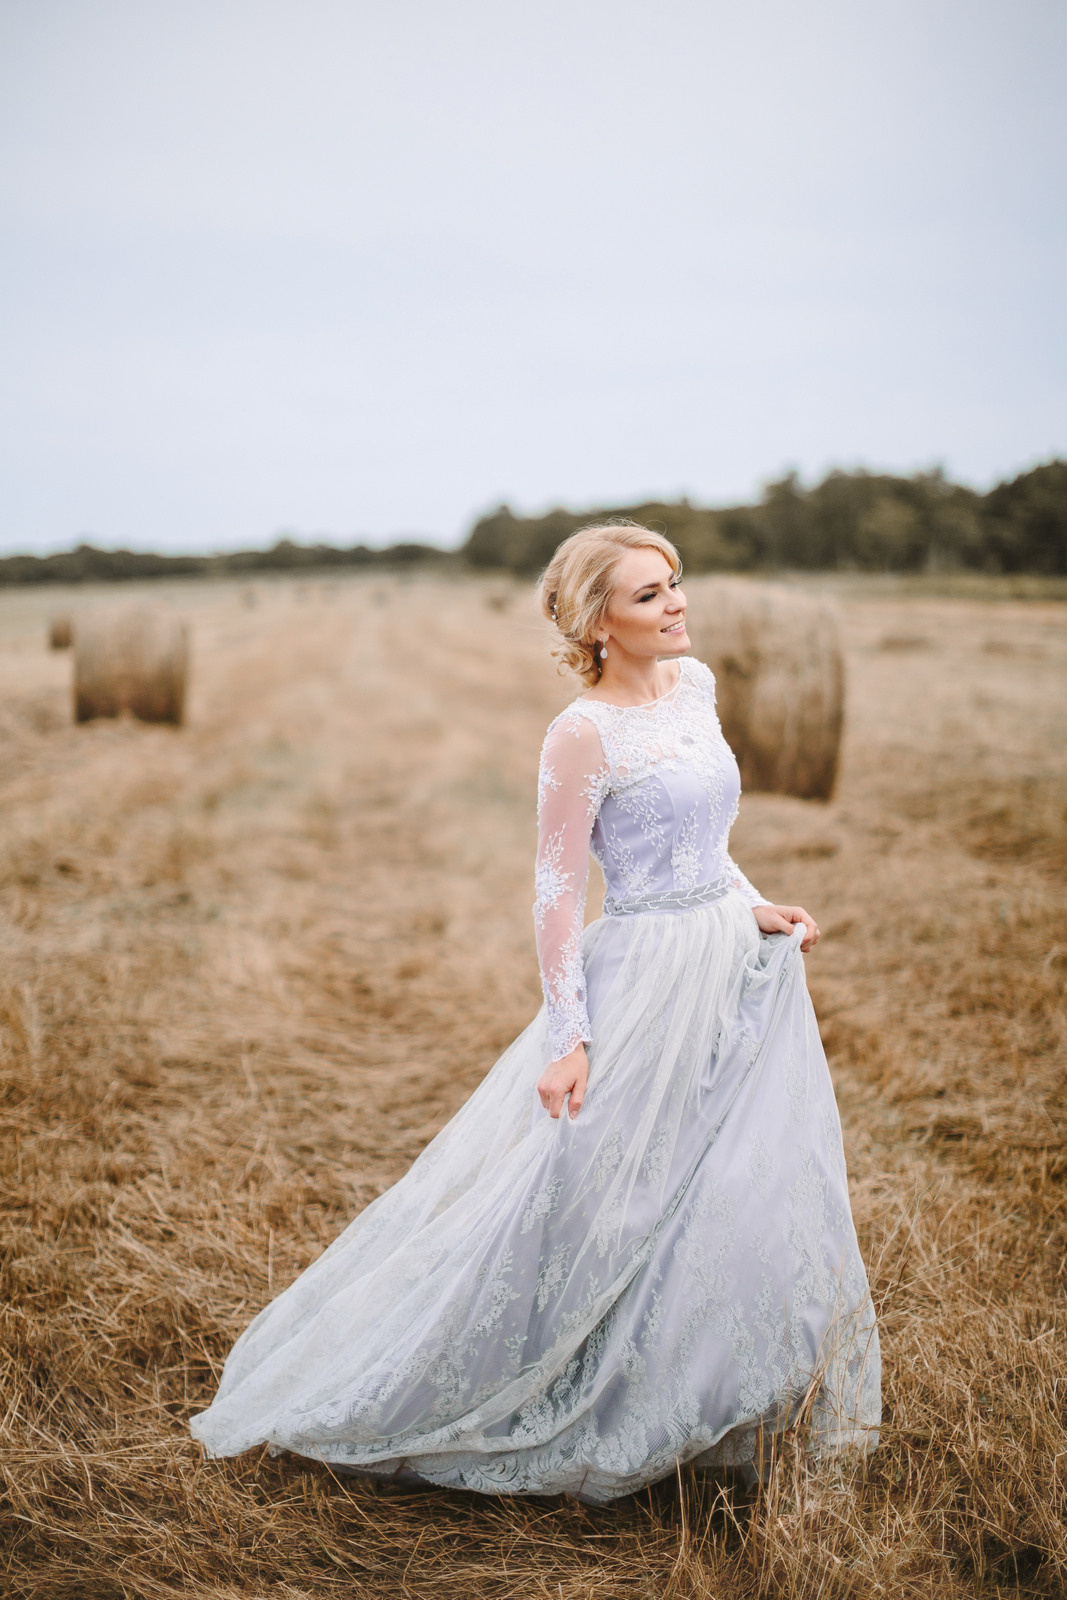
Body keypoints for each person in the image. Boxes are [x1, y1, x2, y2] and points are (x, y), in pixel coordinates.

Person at [191, 522, 880, 1503]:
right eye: (647, 594)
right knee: (593, 1194)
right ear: (598, 621)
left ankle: (714, 1397)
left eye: (674, 582)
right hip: (640, 974)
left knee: (732, 1186)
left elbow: (704, 838)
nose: (676, 601)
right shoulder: (579, 732)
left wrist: (751, 902)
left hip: (731, 961)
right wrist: (569, 1037)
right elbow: (558, 892)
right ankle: (520, 1386)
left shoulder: (697, 687)